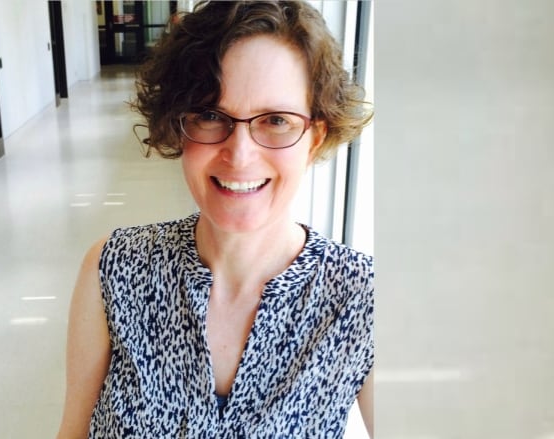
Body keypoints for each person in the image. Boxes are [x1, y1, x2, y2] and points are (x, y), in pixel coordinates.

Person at [57, 1, 373, 437]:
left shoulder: (361, 297)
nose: (240, 155)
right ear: (178, 123)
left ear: (314, 139)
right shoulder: (114, 268)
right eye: (210, 116)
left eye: (276, 120)